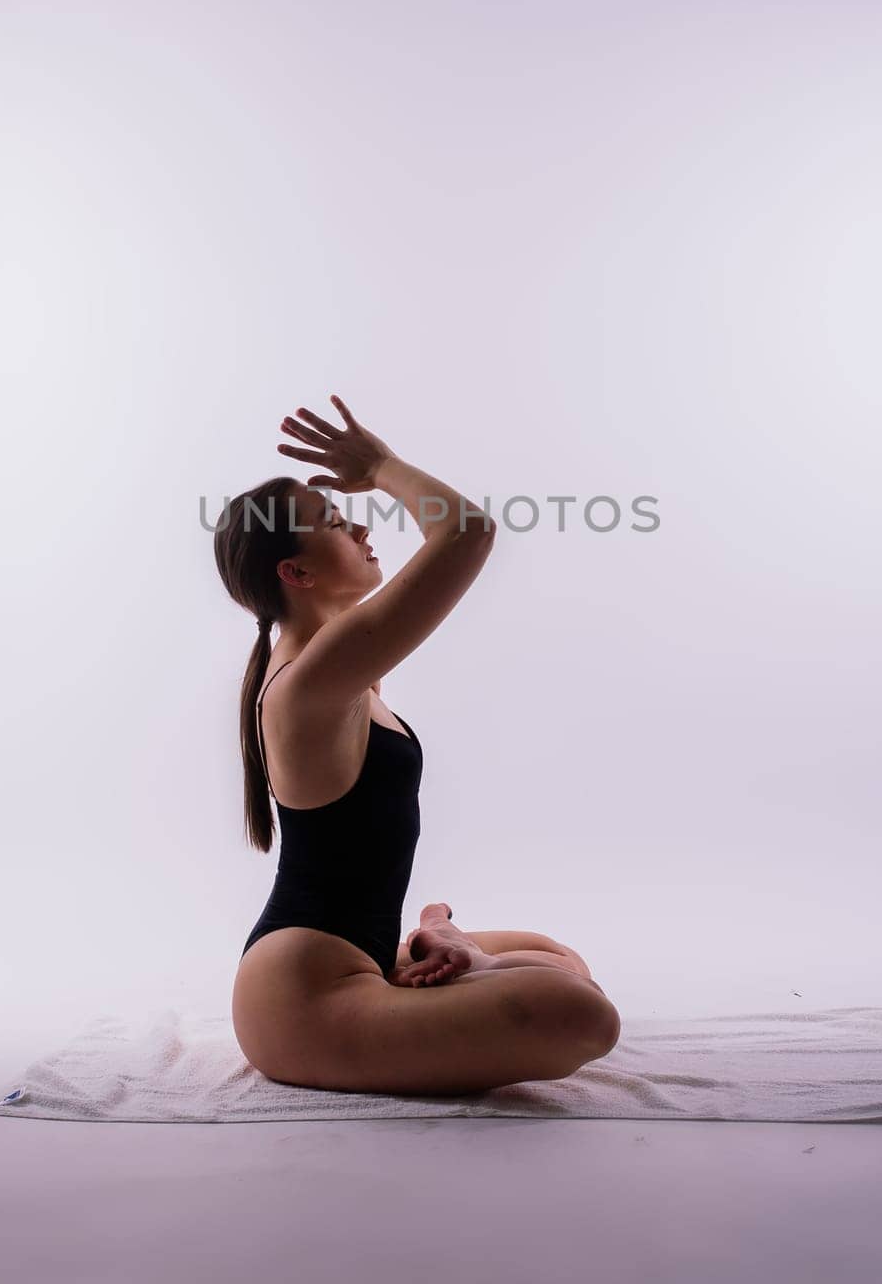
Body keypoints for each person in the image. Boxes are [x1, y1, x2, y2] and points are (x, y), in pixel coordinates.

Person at [214, 393, 620, 1094]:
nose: (362, 522)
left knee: (559, 958)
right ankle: (451, 957)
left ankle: (432, 952)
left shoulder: (345, 671)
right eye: (335, 522)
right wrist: (376, 466)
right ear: (297, 573)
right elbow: (465, 531)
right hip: (304, 1004)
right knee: (581, 1014)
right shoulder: (309, 682)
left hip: (356, 961)